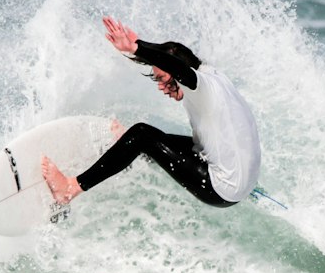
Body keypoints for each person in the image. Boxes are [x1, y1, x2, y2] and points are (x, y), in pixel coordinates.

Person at [41, 17, 261, 209]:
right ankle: (129, 148)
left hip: (221, 189)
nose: (160, 87)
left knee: (142, 135)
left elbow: (176, 65)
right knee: (159, 141)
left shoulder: (200, 86)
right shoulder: (213, 75)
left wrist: (136, 48)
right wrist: (141, 46)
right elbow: (173, 56)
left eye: (163, 79)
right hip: (243, 179)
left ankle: (70, 189)